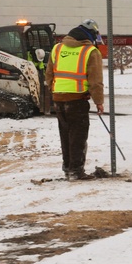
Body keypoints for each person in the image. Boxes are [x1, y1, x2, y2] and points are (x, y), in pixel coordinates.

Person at [45, 18, 105, 181]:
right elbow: (95, 80)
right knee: (78, 136)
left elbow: (49, 74)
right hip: (77, 100)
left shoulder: (57, 48)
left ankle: (67, 168)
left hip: (58, 99)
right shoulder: (91, 52)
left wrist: (55, 91)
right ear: (91, 35)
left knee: (65, 134)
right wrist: (99, 101)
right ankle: (76, 171)